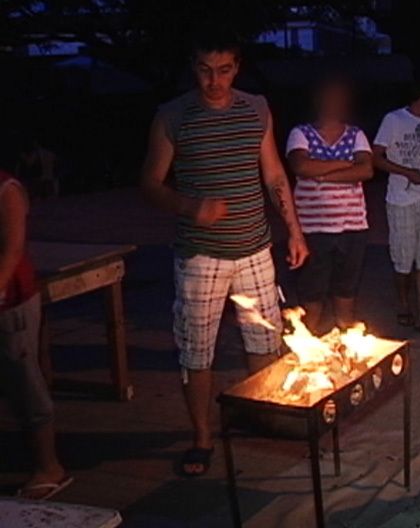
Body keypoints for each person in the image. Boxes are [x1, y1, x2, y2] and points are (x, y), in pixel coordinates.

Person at [139, 28, 309, 477]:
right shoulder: (172, 116)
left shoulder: (256, 108)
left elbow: (273, 173)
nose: (214, 80)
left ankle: (260, 414)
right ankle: (201, 436)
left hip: (255, 248)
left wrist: (294, 230)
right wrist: (190, 206)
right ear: (193, 67)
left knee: (265, 341)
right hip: (201, 256)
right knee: (197, 351)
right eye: (205, 70)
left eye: (224, 70)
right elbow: (150, 183)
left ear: (237, 67)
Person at [0, 170, 72, 499]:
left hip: (11, 299)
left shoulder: (7, 189)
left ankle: (49, 467)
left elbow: (12, 251)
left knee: (25, 381)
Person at [286, 75, 373, 333]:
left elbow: (366, 170)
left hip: (352, 228)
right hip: (313, 231)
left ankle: (346, 351)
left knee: (346, 294)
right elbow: (300, 166)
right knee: (311, 298)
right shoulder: (300, 133)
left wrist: (320, 174)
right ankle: (305, 351)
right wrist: (347, 165)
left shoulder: (356, 134)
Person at [372, 80, 420, 338]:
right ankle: (403, 304)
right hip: (401, 199)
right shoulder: (393, 120)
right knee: (403, 260)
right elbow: (375, 157)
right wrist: (406, 172)